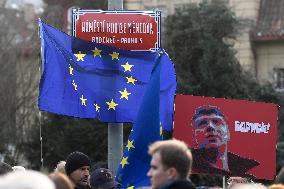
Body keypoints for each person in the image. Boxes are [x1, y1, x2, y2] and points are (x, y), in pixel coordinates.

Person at [190, 106, 259, 178]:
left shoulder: (250, 167)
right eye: (202, 123)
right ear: (194, 136)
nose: (210, 127)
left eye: (216, 122)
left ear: (228, 132)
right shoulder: (185, 164)